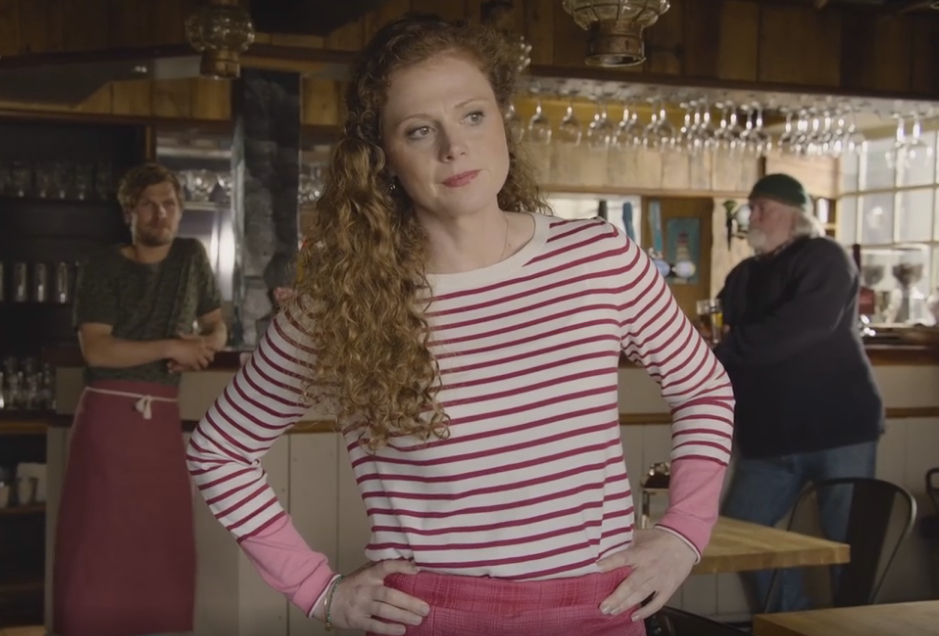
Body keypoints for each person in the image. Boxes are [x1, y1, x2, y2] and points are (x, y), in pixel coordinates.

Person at [186, 13, 734, 636]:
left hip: (601, 612)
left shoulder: (599, 258)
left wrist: (684, 534)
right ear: (382, 157)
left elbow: (705, 390)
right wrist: (319, 591)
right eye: (420, 130)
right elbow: (219, 450)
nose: (454, 148)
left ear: (502, 118)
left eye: (473, 115)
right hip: (434, 618)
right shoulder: (341, 303)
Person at [53, 163, 227, 636]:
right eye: (147, 205)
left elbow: (217, 322)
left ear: (181, 211)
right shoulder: (103, 266)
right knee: (97, 542)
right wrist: (172, 347)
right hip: (107, 419)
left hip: (161, 422)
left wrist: (207, 342)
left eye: (168, 204)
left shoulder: (191, 256)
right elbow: (97, 350)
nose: (159, 214)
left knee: (164, 543)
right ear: (128, 211)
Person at [713, 173, 884, 613]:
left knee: (849, 543)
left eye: (762, 208)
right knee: (742, 529)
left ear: (795, 216)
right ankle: (792, 621)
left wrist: (729, 347)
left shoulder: (825, 257)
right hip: (768, 435)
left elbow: (801, 328)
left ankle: (855, 628)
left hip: (839, 428)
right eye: (751, 208)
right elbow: (722, 327)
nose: (751, 217)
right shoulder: (743, 274)